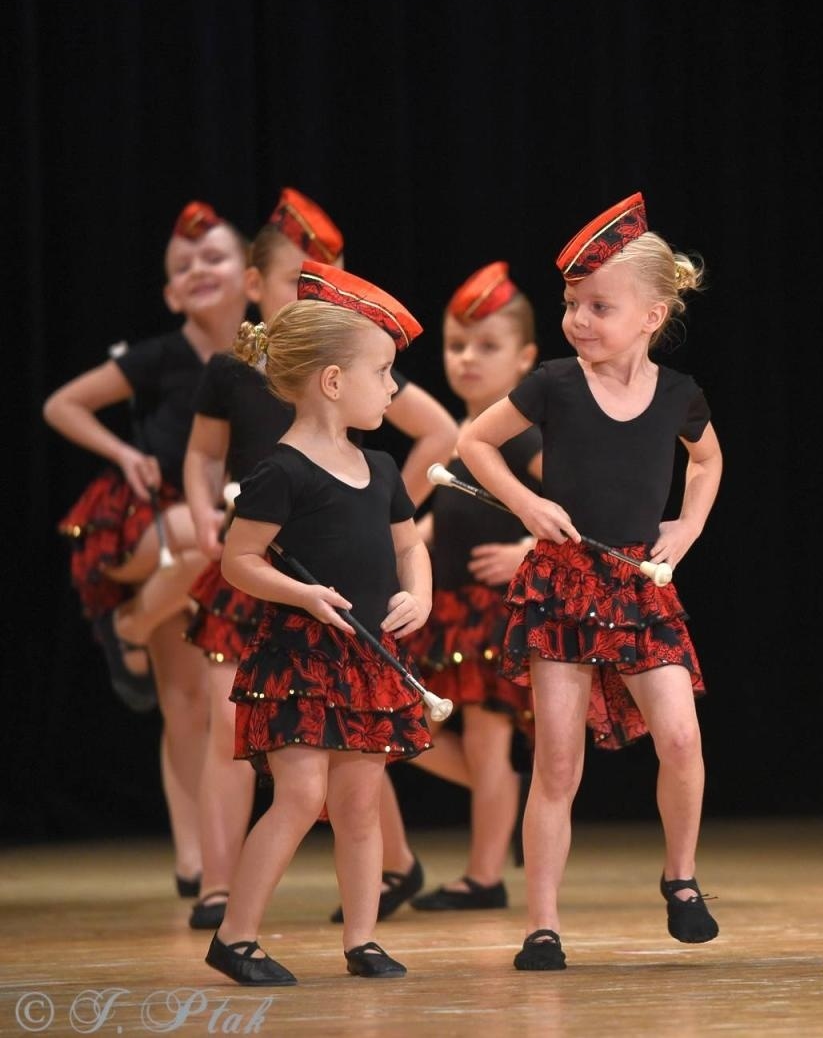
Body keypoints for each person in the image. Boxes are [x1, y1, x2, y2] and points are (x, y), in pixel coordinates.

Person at [457, 192, 722, 970]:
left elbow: (706, 461)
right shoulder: (552, 385)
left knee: (680, 736)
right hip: (563, 586)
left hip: (640, 584)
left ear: (651, 315)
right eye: (573, 304)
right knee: (559, 761)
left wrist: (689, 526)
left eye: (598, 307)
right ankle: (542, 923)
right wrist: (528, 502)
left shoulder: (679, 393)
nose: (578, 320)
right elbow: (475, 442)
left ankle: (680, 878)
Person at [182, 188, 453, 929]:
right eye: (384, 377)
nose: (393, 390)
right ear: (334, 382)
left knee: (359, 800)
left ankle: (362, 939)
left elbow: (407, 542)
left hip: (363, 650)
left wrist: (420, 594)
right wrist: (300, 596)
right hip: (295, 644)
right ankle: (231, 920)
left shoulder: (384, 469)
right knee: (292, 791)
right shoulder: (277, 462)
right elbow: (239, 549)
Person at [46, 201, 249, 898]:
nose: (198, 270)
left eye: (214, 258)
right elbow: (62, 404)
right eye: (183, 267)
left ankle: (195, 860)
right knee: (203, 536)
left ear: (252, 277)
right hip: (147, 526)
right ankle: (127, 621)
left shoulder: (262, 353)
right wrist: (125, 451)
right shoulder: (159, 357)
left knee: (187, 702)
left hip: (205, 547)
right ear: (168, 294)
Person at [405, 261, 542, 911]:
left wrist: (528, 548)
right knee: (398, 722)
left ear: (525, 360)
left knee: (488, 742)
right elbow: (441, 523)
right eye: (456, 345)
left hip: (495, 613)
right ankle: (505, 810)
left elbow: (590, 506)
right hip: (448, 610)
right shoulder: (457, 438)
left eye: (487, 347)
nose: (466, 359)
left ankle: (485, 875)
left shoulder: (520, 435)